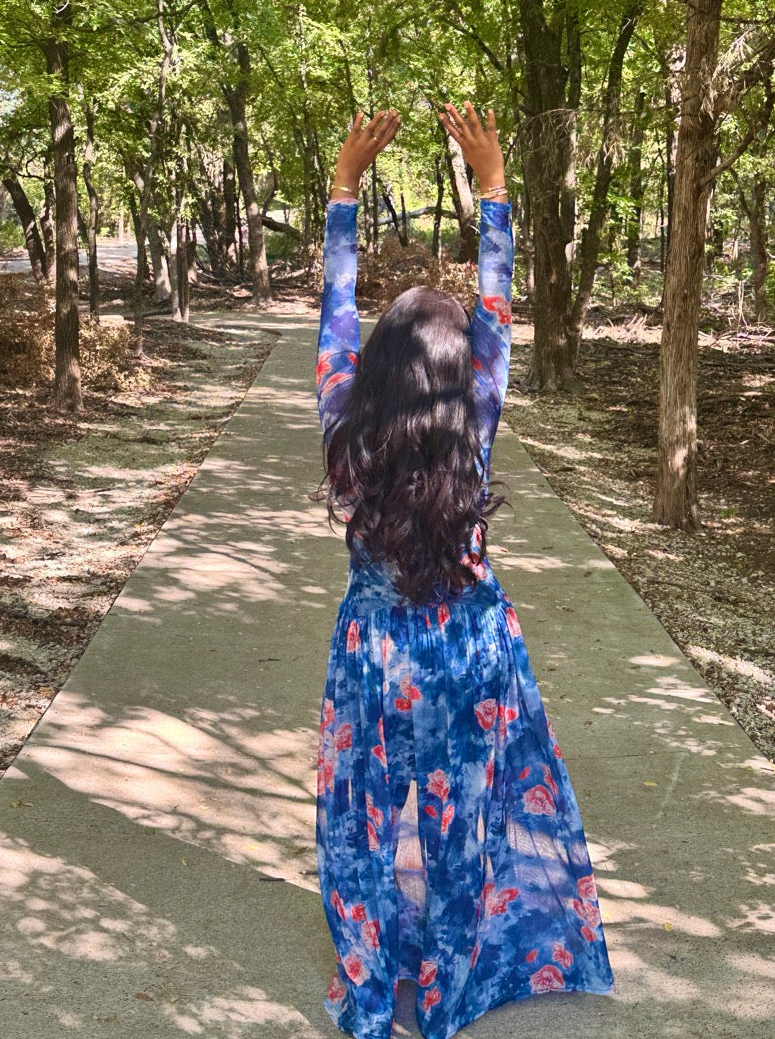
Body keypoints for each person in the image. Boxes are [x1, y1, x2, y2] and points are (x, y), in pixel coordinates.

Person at [313, 103, 615, 1039]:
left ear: (373, 371)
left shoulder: (343, 420)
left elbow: (335, 313)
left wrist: (345, 187)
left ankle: (370, 996)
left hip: (373, 654)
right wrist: (493, 186)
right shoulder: (475, 420)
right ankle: (443, 999)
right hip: (468, 651)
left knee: (358, 827)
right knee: (457, 829)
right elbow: (497, 312)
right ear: (461, 373)